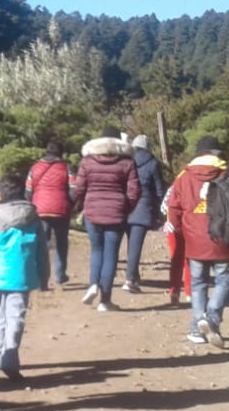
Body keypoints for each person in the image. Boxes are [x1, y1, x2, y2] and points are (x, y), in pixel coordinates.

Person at [166, 135, 229, 348]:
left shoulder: (183, 176)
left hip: (193, 239)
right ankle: (211, 317)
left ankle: (197, 327)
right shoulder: (227, 173)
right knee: (225, 279)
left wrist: (182, 231)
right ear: (217, 154)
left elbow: (173, 208)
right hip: (222, 236)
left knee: (198, 283)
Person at [0, 173, 44, 383]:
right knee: (16, 316)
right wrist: (45, 276)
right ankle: (8, 357)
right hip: (23, 274)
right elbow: (41, 250)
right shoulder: (33, 216)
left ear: (1, 193)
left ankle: (1, 355)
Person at [70, 129, 139, 312]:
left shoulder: (87, 161)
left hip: (92, 210)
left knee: (96, 251)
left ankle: (93, 284)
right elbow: (134, 191)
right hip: (116, 212)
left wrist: (81, 204)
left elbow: (79, 188)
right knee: (111, 256)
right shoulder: (127, 162)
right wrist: (126, 208)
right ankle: (105, 301)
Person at [26, 140, 74, 288]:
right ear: (61, 153)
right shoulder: (67, 168)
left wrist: (31, 207)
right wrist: (70, 204)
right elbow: (74, 188)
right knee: (61, 243)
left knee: (42, 245)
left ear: (46, 151)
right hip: (61, 210)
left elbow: (28, 191)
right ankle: (60, 275)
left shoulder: (34, 168)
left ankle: (42, 280)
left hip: (40, 210)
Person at [123, 134, 166, 294]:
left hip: (126, 205)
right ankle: (129, 279)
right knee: (135, 244)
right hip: (144, 207)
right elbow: (159, 188)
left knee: (131, 242)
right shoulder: (153, 163)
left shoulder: (127, 161)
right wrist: (161, 209)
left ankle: (133, 274)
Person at [160, 182, 191, 305]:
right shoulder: (197, 186)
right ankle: (190, 292)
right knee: (191, 259)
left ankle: (174, 291)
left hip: (173, 228)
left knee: (176, 260)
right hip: (191, 227)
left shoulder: (174, 187)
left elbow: (163, 208)